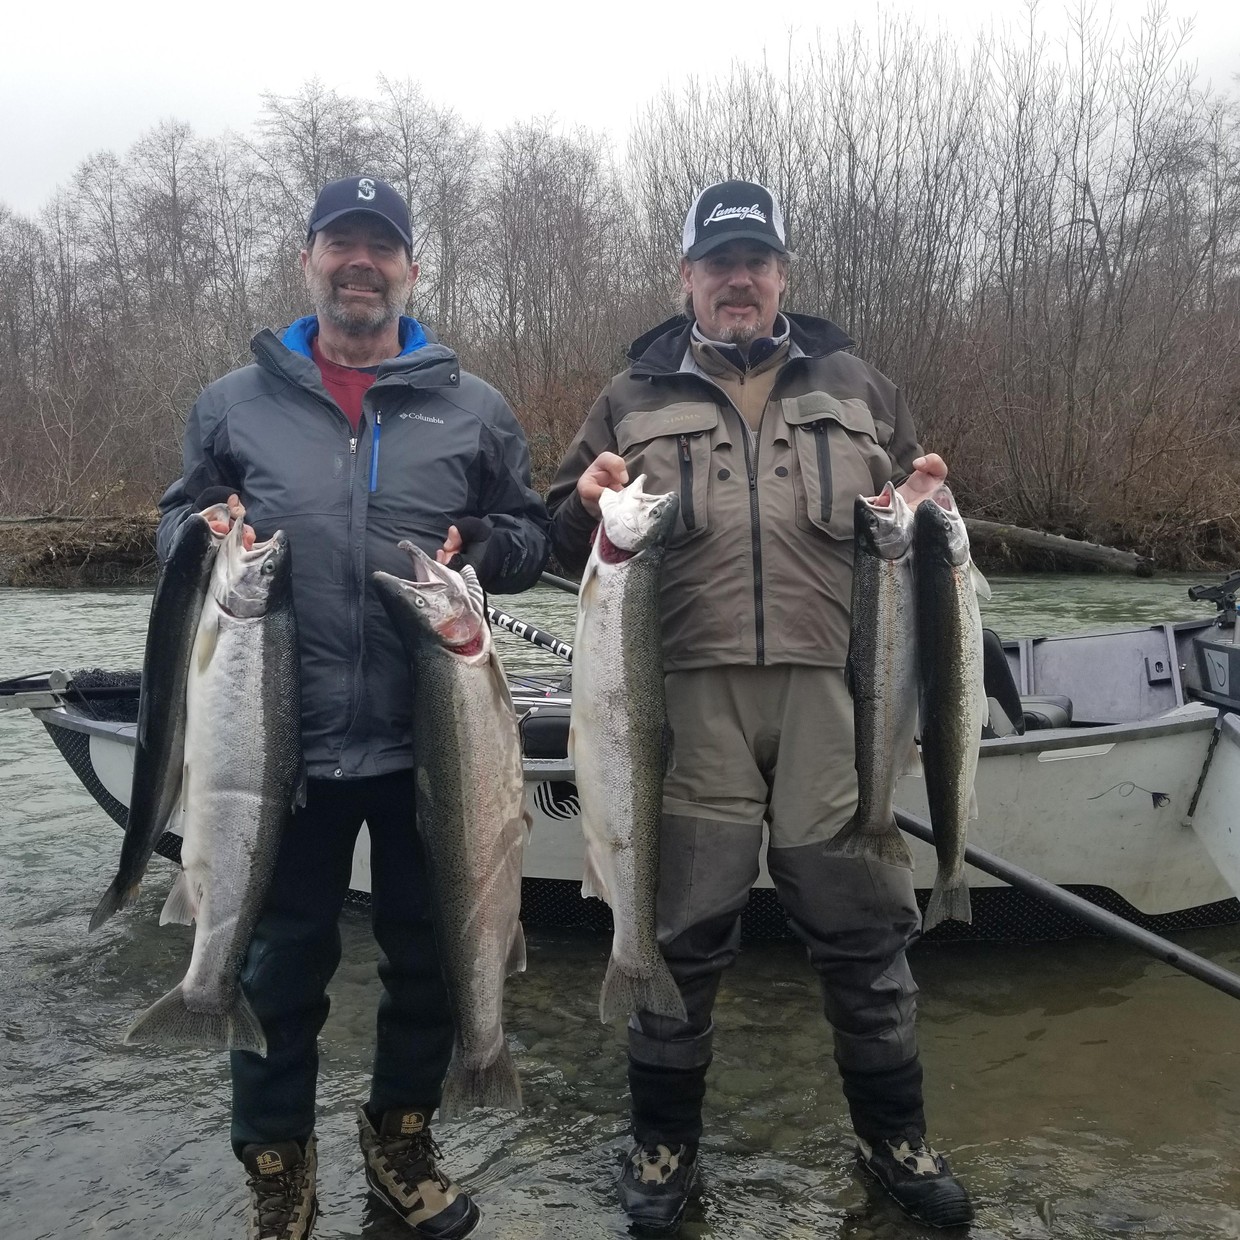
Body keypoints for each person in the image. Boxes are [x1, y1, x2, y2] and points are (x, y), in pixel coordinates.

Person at [545, 180, 974, 1231]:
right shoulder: (630, 396)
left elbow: (924, 540)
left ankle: (892, 1139)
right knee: (677, 928)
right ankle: (662, 1145)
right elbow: (560, 540)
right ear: (685, 278)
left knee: (863, 926)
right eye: (717, 262)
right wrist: (586, 500)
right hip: (677, 701)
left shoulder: (860, 384)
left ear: (783, 273)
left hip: (842, 693)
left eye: (756, 261)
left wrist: (931, 501)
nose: (738, 279)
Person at [156, 175, 550, 1240]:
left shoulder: (472, 405)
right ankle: (279, 1166)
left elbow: (527, 538)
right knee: (282, 962)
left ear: (412, 269)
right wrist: (202, 531)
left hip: (437, 746)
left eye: (381, 246)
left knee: (432, 959)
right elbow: (172, 527)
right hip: (280, 742)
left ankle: (402, 1140)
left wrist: (491, 545)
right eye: (342, 244)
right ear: (309, 261)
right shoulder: (234, 401)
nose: (360, 262)